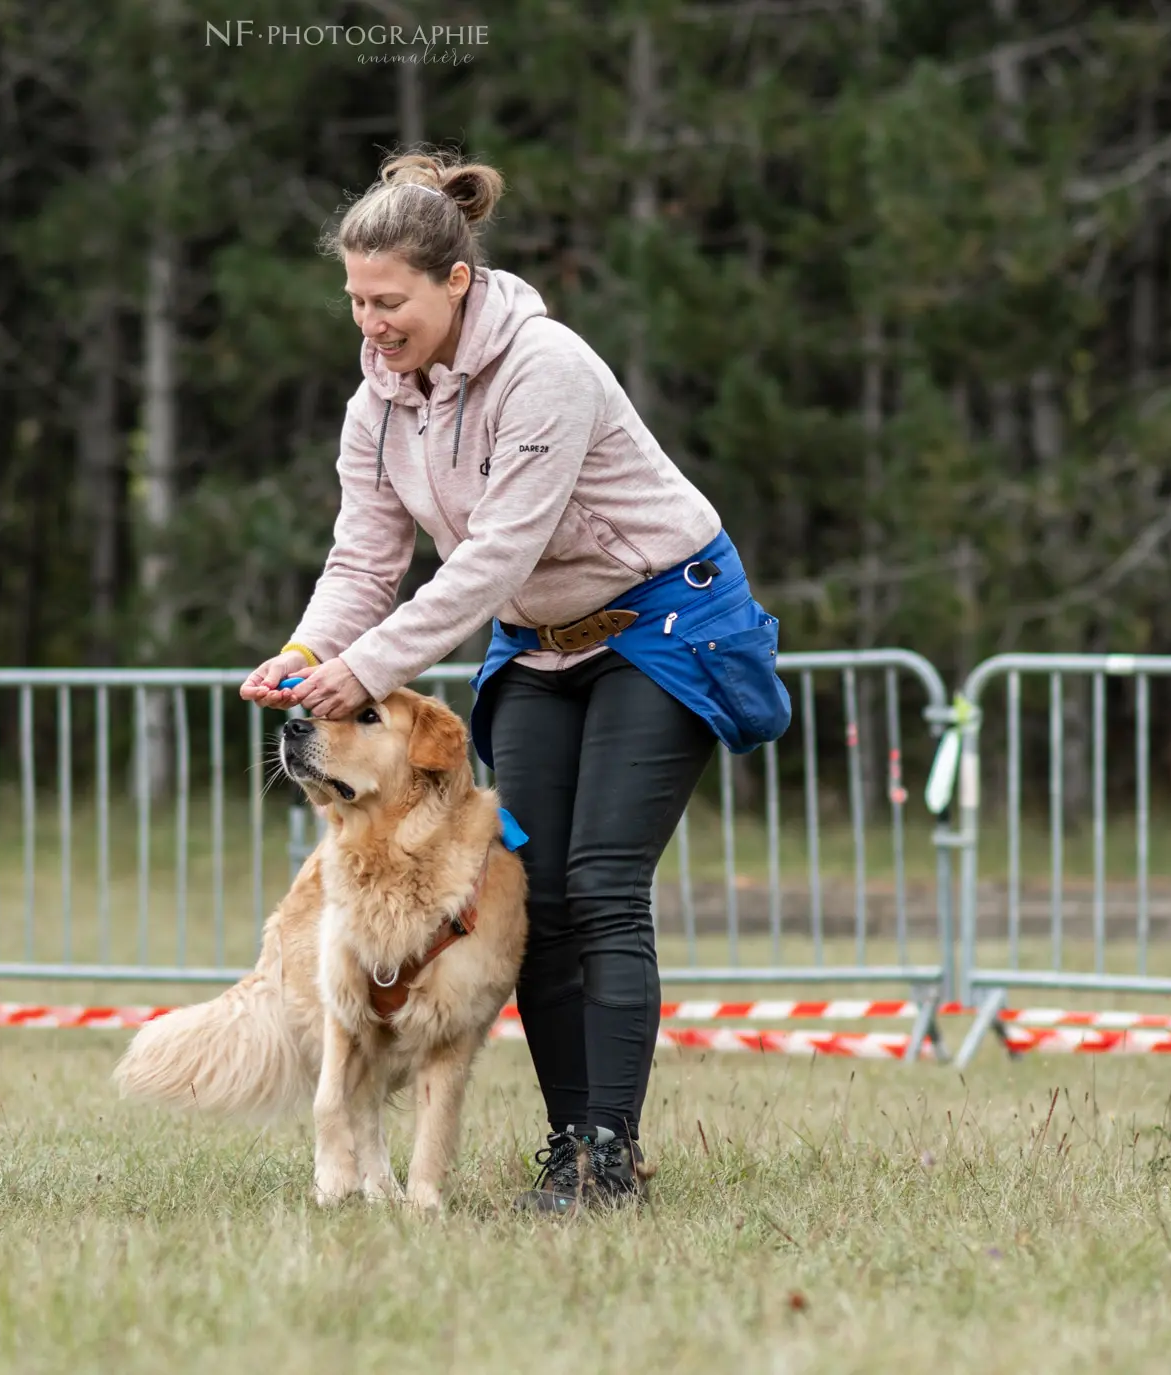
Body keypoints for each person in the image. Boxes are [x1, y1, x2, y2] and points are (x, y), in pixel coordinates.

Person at [240, 149, 790, 1213]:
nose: (369, 324)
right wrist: (309, 655)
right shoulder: (378, 406)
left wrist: (365, 670)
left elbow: (493, 553)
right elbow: (362, 561)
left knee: (601, 883)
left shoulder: (547, 368)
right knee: (528, 895)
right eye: (354, 300)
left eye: (387, 300)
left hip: (661, 620)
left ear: (453, 283)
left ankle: (607, 1155)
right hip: (536, 643)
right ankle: (566, 1151)